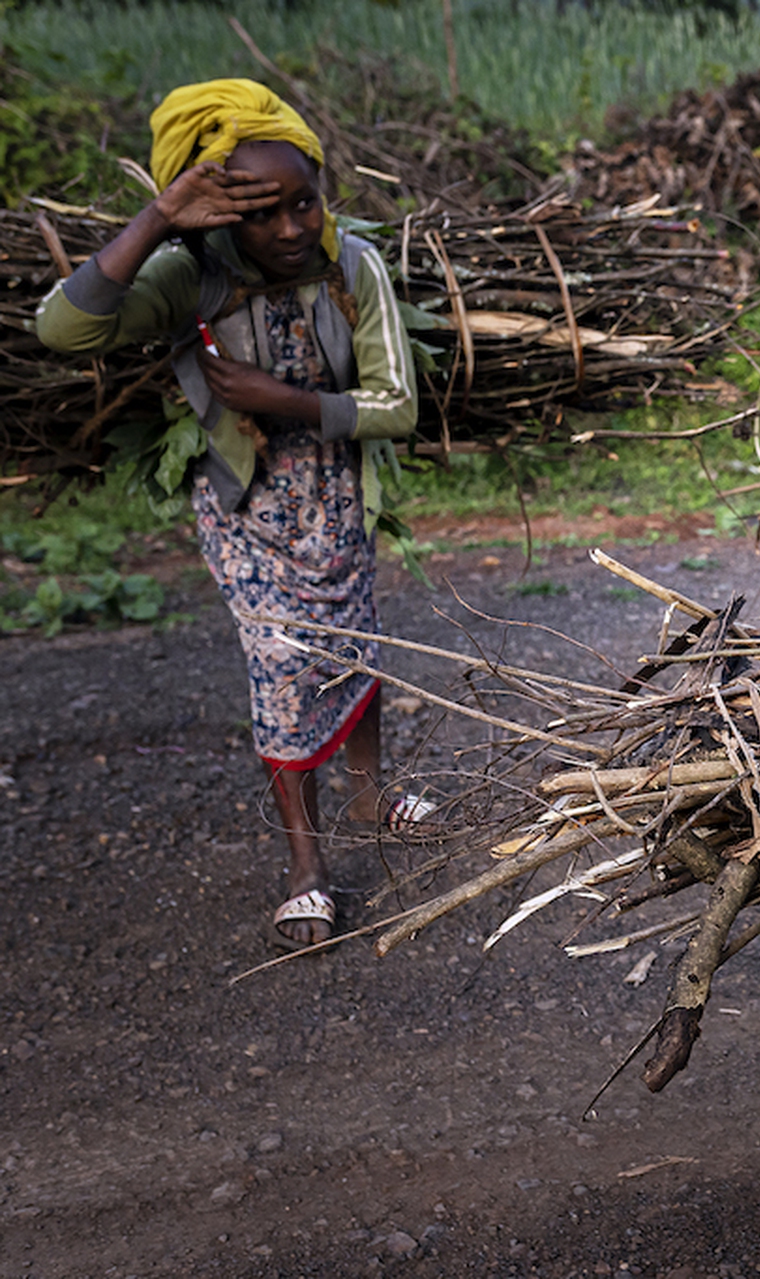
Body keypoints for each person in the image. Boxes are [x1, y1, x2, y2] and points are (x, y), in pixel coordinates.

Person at [35, 79, 417, 950]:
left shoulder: (354, 266)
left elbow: (398, 404)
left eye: (304, 204)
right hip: (248, 511)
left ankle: (369, 794)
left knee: (356, 644)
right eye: (261, 213)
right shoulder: (186, 278)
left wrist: (283, 398)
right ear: (213, 219)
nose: (290, 229)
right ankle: (306, 869)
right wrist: (160, 217)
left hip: (339, 497)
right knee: (283, 670)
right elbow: (63, 329)